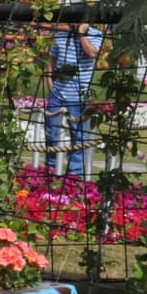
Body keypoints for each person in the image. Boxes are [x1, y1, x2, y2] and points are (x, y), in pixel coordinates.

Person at [45, 20, 104, 177]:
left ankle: (73, 177)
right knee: (52, 135)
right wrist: (52, 87)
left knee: (79, 139)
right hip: (57, 95)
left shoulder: (95, 34)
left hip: (79, 97)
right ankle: (48, 175)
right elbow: (51, 62)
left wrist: (81, 34)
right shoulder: (60, 35)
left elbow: (92, 53)